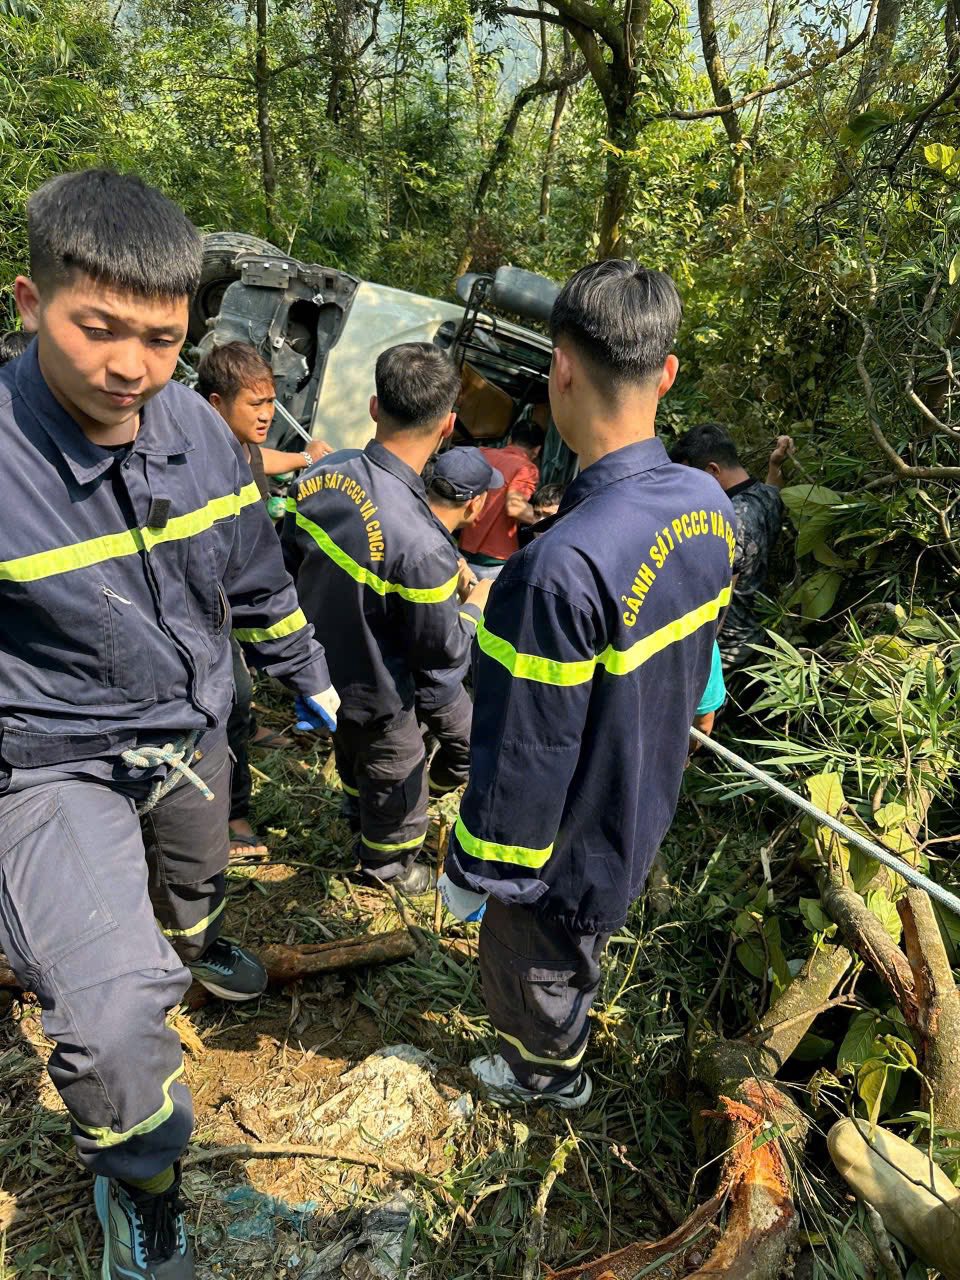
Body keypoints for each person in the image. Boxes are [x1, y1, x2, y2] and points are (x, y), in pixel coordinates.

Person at [0, 169, 339, 1279]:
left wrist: (307, 670)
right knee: (107, 1025)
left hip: (191, 730)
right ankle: (142, 1182)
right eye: (100, 329)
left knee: (193, 894)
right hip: (56, 759)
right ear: (28, 300)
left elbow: (254, 573)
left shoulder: (193, 425)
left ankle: (184, 940)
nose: (131, 367)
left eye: (162, 336)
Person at [437, 260, 737, 1109]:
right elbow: (704, 636)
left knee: (536, 961)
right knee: (587, 937)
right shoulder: (704, 505)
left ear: (561, 367)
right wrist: (706, 704)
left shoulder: (560, 569)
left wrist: (476, 866)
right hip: (645, 791)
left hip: (565, 841)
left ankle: (548, 1078)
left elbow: (525, 757)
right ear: (666, 372)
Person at [283, 343, 491, 895]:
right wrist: (474, 608)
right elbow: (440, 655)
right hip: (382, 698)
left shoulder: (322, 474)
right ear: (448, 425)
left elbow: (287, 560)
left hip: (320, 676)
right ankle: (387, 871)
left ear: (376, 407)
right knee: (397, 791)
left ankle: (358, 818)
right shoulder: (424, 547)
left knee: (353, 764)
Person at [196, 341, 328, 857]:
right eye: (256, 405)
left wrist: (303, 457)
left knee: (241, 694)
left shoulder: (241, 445)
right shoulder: (198, 459)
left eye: (271, 403)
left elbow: (260, 457)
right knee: (229, 700)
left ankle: (247, 735)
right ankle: (233, 813)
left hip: (240, 598)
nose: (268, 415)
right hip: (210, 602)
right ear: (215, 403)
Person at [669, 422, 793, 673]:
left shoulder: (726, 521)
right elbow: (774, 491)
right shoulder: (763, 497)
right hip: (755, 636)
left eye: (690, 478)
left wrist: (697, 663)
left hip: (725, 650)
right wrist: (775, 465)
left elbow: (719, 601)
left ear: (713, 470)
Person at [419, 447, 504, 795]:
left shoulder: (423, 530)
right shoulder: (434, 553)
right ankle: (430, 793)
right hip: (431, 679)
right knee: (472, 750)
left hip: (395, 674)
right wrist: (477, 603)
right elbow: (449, 645)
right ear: (476, 504)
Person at [458, 418, 544, 578]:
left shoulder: (482, 453)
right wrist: (549, 520)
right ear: (537, 450)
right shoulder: (526, 468)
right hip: (495, 560)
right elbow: (515, 507)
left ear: (510, 439)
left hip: (462, 550)